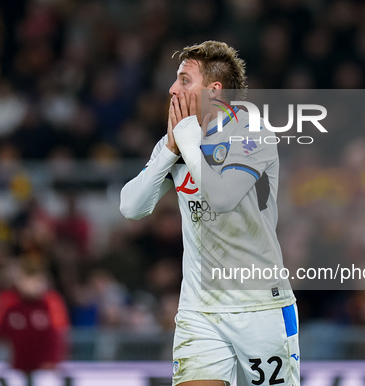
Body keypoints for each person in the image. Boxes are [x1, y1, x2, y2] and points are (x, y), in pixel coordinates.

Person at [120, 40, 299, 386]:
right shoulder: (176, 141)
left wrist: (186, 141)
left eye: (185, 80)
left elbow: (221, 197)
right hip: (199, 308)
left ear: (214, 90)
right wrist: (168, 150)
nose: (172, 89)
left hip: (259, 306)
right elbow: (131, 207)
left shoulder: (253, 133)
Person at [0, 258, 69, 373]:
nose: (32, 285)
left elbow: (58, 336)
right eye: (27, 280)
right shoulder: (6, 301)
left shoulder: (52, 302)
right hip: (16, 369)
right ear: (19, 280)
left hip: (45, 371)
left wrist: (53, 362)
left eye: (36, 281)